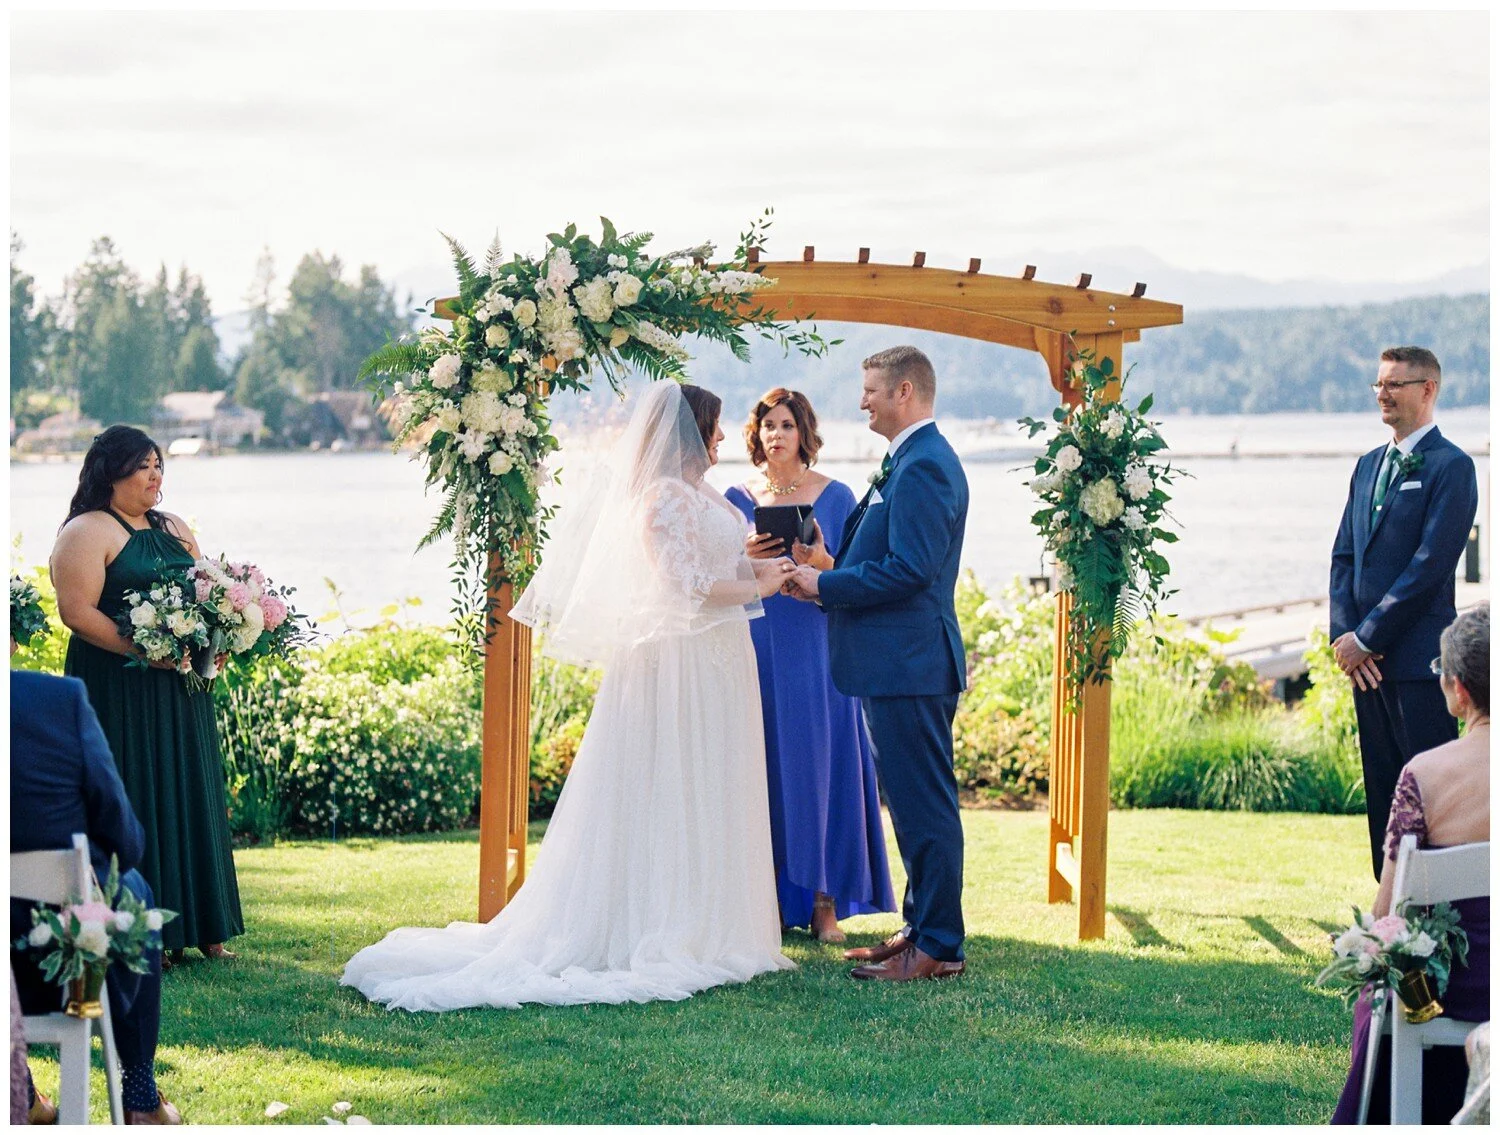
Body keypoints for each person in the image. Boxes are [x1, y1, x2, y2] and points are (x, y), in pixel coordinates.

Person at [342, 382, 797, 1010]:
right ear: (689, 432)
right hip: (677, 664)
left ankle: (716, 921)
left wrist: (760, 568)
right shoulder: (660, 496)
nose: (721, 438)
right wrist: (762, 587)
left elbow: (715, 565)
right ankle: (662, 922)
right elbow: (683, 584)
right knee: (669, 780)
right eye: (713, 427)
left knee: (710, 779)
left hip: (717, 661)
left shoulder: (701, 492)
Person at [786, 346, 969, 982]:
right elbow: (890, 559)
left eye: (870, 390)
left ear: (905, 392)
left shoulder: (924, 467)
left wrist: (826, 590)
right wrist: (826, 569)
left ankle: (939, 945)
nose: (861, 400)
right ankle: (922, 929)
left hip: (911, 662)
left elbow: (912, 571)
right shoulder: (907, 461)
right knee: (914, 805)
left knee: (925, 807)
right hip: (896, 662)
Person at [50, 425, 243, 959]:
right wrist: (142, 651)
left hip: (181, 687)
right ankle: (144, 930)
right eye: (143, 465)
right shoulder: (87, 531)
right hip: (119, 687)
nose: (156, 474)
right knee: (137, 794)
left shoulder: (175, 527)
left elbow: (207, 592)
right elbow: (77, 613)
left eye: (159, 464)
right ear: (112, 473)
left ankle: (206, 927)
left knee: (189, 791)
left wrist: (218, 639)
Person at [724, 388, 896, 943]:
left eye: (787, 425)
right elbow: (712, 578)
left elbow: (853, 575)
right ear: (757, 434)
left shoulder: (838, 496)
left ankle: (824, 901)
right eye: (768, 425)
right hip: (755, 644)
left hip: (815, 646)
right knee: (763, 767)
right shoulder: (734, 496)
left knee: (818, 765)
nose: (777, 435)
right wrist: (742, 556)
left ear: (805, 434)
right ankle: (767, 899)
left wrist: (817, 560)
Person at [1331, 603, 1489, 1124]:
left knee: (1382, 991)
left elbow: (1387, 911)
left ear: (1457, 689)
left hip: (1453, 990)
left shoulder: (1424, 774)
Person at [1330, 346, 1479, 879]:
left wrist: (1367, 637)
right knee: (1383, 790)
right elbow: (1344, 555)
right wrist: (1345, 639)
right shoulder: (1368, 465)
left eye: (1395, 384)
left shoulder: (1453, 467)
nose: (1383, 395)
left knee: (1431, 793)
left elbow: (1429, 567)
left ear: (1427, 389)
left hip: (1420, 665)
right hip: (1366, 670)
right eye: (1379, 385)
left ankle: (1441, 919)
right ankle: (1388, 915)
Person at [10, 667, 182, 1124]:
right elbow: (124, 836)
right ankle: (141, 1097)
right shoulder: (56, 699)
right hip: (57, 965)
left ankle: (21, 1089)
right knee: (129, 894)